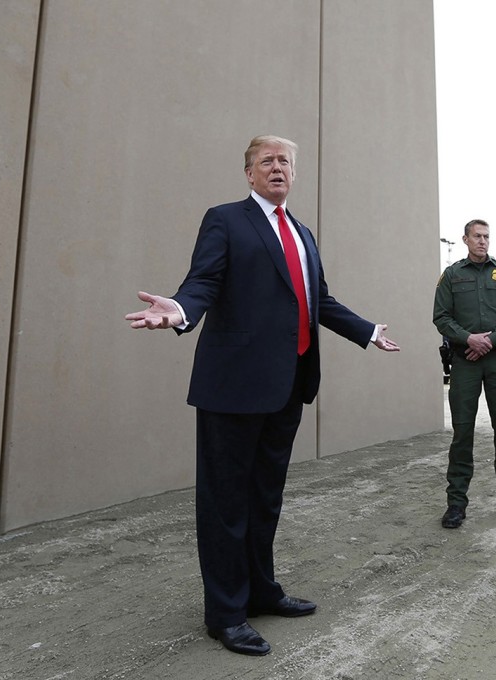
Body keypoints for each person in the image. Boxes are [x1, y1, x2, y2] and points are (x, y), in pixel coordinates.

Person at [124, 135, 400, 656]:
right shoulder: (226, 219)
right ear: (249, 173)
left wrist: (366, 331)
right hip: (232, 385)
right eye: (267, 161)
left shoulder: (302, 232)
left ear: (294, 175)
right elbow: (202, 282)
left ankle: (260, 591)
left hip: (287, 385)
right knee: (225, 502)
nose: (278, 168)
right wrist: (179, 311)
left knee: (264, 498)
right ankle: (226, 613)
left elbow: (319, 299)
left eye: (285, 162)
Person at [433, 219, 496, 528]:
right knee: (462, 432)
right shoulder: (452, 276)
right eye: (477, 236)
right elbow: (441, 316)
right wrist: (469, 339)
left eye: (486, 236)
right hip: (465, 359)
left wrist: (489, 340)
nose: (483, 241)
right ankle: (456, 504)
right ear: (465, 239)